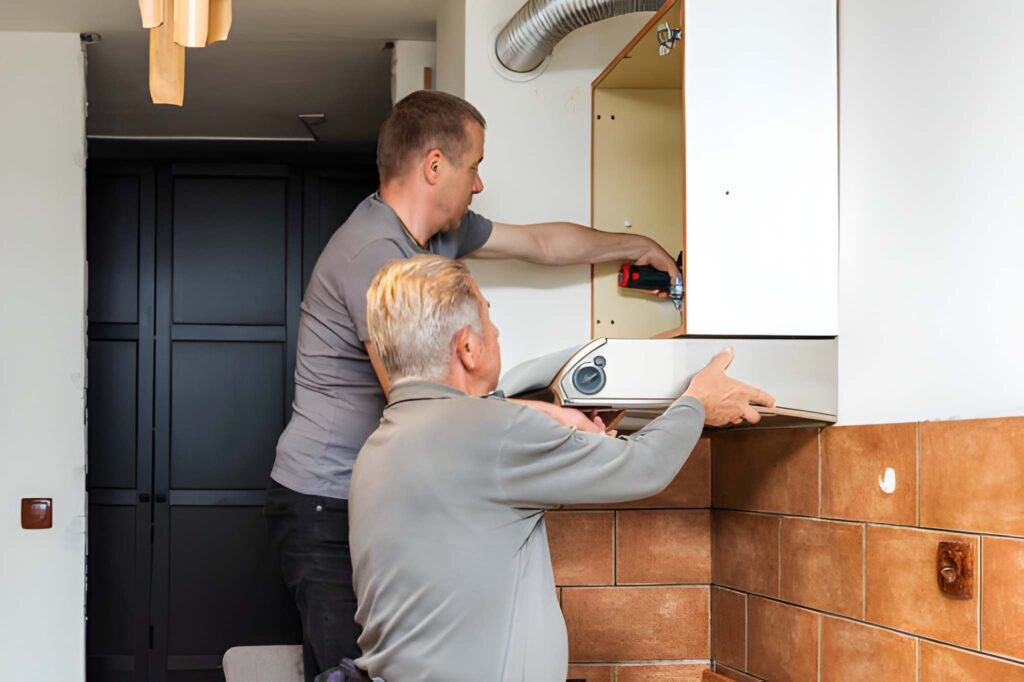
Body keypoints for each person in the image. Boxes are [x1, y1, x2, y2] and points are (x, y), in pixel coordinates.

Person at [264, 89, 683, 681]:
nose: (480, 183)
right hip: (322, 502)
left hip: (379, 494)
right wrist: (549, 418)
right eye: (475, 165)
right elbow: (419, 405)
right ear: (435, 166)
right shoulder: (377, 258)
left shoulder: (433, 242)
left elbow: (541, 244)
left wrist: (634, 245)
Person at [349, 255, 773, 681]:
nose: (496, 332)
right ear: (468, 348)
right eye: (489, 321)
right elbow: (645, 468)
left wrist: (569, 435)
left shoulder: (380, 447)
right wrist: (697, 404)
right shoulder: (488, 432)